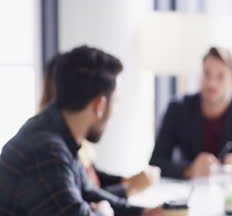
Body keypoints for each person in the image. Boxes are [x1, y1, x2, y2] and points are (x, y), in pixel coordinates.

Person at [0, 46, 164, 216]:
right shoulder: (45, 150)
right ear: (99, 105)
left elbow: (87, 194)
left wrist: (142, 215)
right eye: (116, 101)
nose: (114, 111)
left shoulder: (54, 131)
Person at [40, 54, 157, 199]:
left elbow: (91, 181)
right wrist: (129, 189)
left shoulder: (72, 136)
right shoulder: (52, 149)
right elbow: (82, 200)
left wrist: (126, 181)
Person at [149, 47, 232, 179]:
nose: (211, 83)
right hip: (189, 190)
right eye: (207, 74)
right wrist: (190, 169)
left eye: (220, 76)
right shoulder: (178, 108)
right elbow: (156, 162)